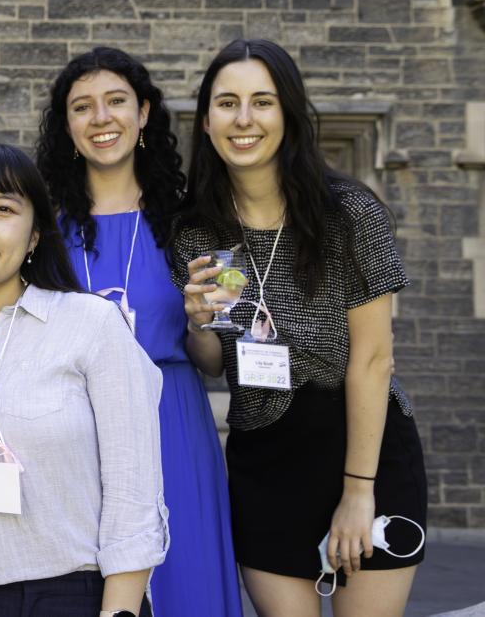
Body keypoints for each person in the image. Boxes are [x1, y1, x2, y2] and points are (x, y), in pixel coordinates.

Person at [171, 39, 427, 617]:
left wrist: (357, 493)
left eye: (261, 101)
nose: (243, 119)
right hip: (265, 460)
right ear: (206, 120)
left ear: (287, 112)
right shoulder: (197, 232)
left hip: (364, 451)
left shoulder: (348, 215)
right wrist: (199, 325)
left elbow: (373, 360)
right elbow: (214, 363)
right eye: (226, 102)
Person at [0, 142, 165, 617]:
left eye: (4, 209)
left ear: (34, 237)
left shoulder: (92, 325)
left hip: (76, 598)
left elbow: (134, 497)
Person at [35, 46, 242, 616]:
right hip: (74, 427)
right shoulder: (41, 229)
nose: (101, 118)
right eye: (82, 107)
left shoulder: (195, 220)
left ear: (144, 112)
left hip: (170, 420)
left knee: (183, 586)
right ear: (67, 126)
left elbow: (213, 361)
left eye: (116, 102)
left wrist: (201, 324)